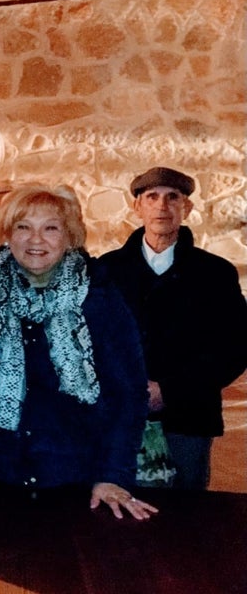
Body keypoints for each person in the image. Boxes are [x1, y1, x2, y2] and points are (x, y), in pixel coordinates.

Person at [0, 184, 154, 520]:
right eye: (23, 227)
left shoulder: (99, 297)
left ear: (70, 237)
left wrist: (112, 475)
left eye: (50, 228)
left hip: (73, 474)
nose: (36, 240)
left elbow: (128, 393)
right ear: (7, 235)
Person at [98, 166, 247, 489]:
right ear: (137, 206)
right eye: (151, 197)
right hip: (120, 413)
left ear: (187, 208)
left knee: (186, 516)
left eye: (172, 198)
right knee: (118, 511)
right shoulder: (107, 270)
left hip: (188, 416)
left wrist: (169, 391)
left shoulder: (215, 273)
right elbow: (92, 340)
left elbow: (235, 347)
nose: (161, 206)